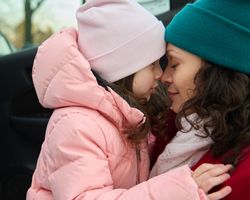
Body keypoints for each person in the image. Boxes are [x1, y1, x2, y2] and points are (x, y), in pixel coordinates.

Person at [27, 0, 232, 199]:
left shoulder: (128, 115)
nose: (160, 74)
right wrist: (178, 191)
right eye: (152, 65)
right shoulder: (77, 126)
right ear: (123, 70)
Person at [150, 0, 250, 199]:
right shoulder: (171, 127)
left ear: (215, 71)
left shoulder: (244, 166)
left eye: (174, 64)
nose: (163, 76)